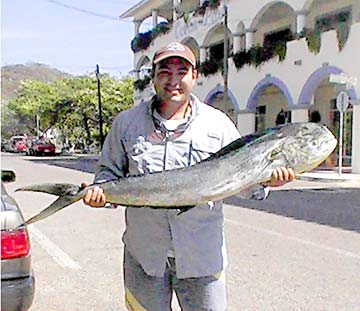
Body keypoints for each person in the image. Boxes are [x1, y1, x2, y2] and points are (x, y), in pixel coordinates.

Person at [82, 42, 295, 311]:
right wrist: (100, 194)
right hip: (145, 256)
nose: (173, 81)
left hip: (201, 259)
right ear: (153, 78)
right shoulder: (126, 124)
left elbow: (244, 180)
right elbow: (108, 173)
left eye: (181, 72)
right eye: (164, 72)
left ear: (194, 76)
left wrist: (266, 179)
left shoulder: (218, 126)